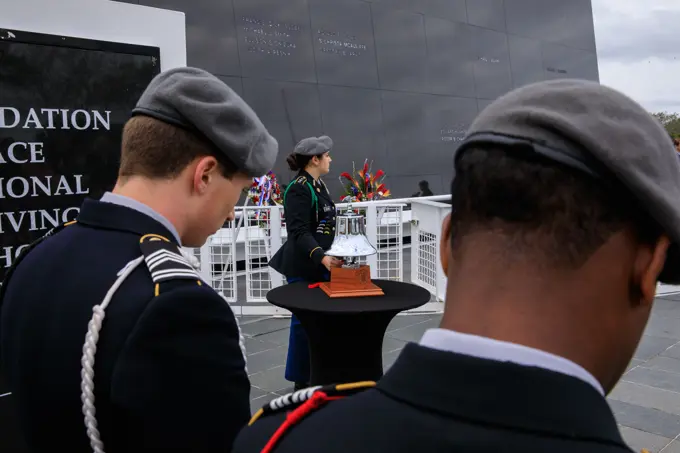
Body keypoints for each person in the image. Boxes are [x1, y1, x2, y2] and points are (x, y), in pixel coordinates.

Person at [232, 79, 680, 453]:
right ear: (647, 272)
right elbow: (300, 232)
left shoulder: (277, 441)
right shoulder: (299, 190)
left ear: (446, 246)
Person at [0, 67, 278, 452]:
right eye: (241, 190)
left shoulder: (36, 256)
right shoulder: (179, 305)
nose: (233, 211)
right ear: (206, 174)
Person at [268, 136, 342, 391]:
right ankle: (302, 379)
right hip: (304, 265)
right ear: (315, 159)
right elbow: (298, 231)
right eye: (327, 155)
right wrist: (321, 256)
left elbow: (323, 224)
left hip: (320, 262)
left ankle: (320, 371)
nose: (330, 159)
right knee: (304, 321)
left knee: (323, 319)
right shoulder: (300, 188)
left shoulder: (319, 185)